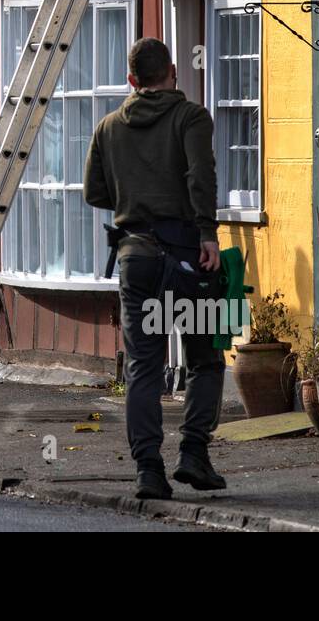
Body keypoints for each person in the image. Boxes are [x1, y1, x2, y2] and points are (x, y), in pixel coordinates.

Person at [83, 37, 226, 500]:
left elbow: (95, 194)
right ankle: (193, 454)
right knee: (205, 358)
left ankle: (148, 469)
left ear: (131, 80)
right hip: (188, 256)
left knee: (145, 367)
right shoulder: (191, 117)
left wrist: (132, 197)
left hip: (136, 257)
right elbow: (200, 176)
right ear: (172, 73)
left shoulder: (107, 128)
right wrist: (208, 234)